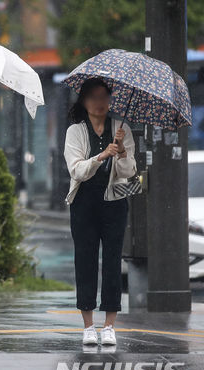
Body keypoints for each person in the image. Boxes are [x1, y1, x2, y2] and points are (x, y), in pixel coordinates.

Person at [63, 78, 136, 346]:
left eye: (104, 96)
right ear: (84, 101)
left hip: (114, 202)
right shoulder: (75, 132)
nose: (99, 102)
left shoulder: (121, 129)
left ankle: (109, 326)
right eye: (93, 97)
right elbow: (77, 170)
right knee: (85, 261)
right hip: (84, 202)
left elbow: (129, 172)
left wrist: (123, 151)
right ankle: (88, 326)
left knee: (113, 262)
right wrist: (103, 155)